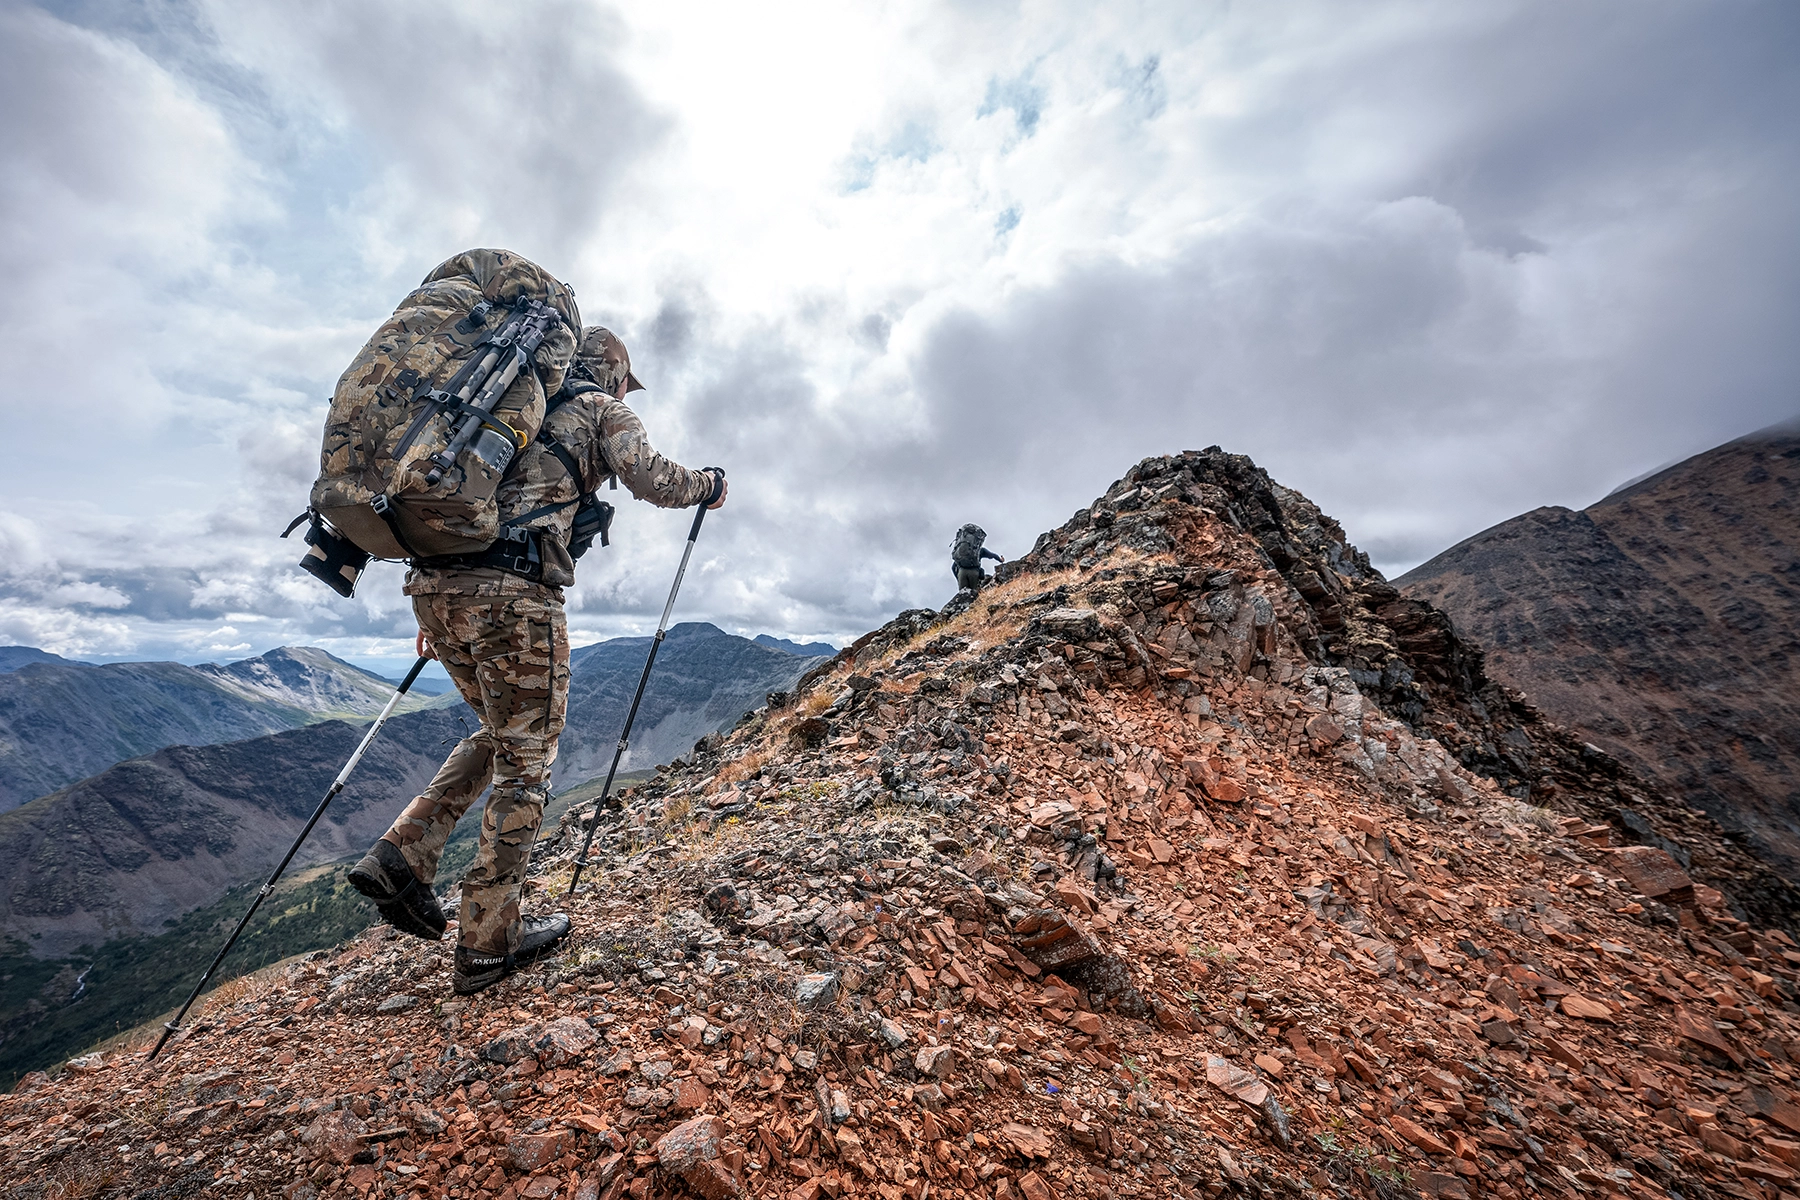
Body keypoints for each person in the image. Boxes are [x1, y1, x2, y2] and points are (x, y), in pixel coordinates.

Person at [348, 326, 726, 995]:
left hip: (434, 593)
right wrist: (707, 485)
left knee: (501, 736)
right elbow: (652, 478)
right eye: (623, 380)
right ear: (613, 373)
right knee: (529, 758)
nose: (622, 389)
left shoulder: (497, 413)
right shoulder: (601, 410)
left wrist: (444, 610)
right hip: (513, 596)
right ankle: (489, 941)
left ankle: (402, 855)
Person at [951, 523, 1004, 591]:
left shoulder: (961, 552)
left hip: (962, 572)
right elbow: (993, 555)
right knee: (974, 593)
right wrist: (1000, 560)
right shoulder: (980, 550)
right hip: (974, 572)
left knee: (963, 594)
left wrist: (958, 578)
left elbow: (953, 568)